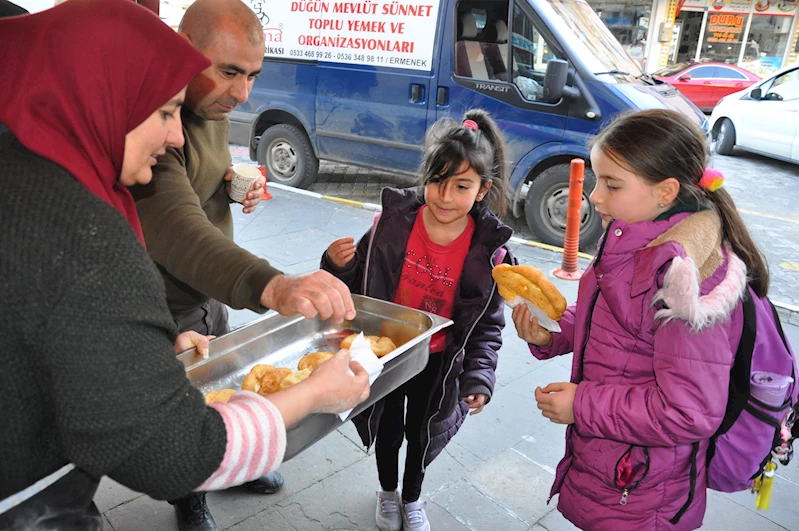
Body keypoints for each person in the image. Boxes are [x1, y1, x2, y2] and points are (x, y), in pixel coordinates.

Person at [0, 2, 370, 530]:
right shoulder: (88, 244)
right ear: (104, 94)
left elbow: (51, 339)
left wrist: (133, 349)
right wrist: (311, 392)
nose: (175, 135)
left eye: (253, 76)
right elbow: (174, 452)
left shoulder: (25, 173)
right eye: (163, 112)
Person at [130, 1, 358, 528]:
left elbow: (202, 176)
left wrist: (234, 184)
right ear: (182, 48)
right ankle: (191, 494)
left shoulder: (209, 110)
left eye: (253, 75)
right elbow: (174, 223)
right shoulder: (154, 119)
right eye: (228, 72)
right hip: (164, 304)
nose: (243, 94)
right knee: (186, 416)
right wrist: (275, 286)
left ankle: (235, 462)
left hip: (210, 296)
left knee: (222, 385)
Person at [511, 109, 767, 530]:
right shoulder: (637, 235)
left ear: (666, 191)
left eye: (612, 185)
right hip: (613, 466)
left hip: (643, 490)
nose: (595, 196)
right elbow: (618, 321)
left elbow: (691, 412)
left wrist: (582, 404)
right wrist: (554, 334)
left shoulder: (686, 283)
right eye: (597, 180)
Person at [322, 109, 514, 531]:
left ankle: (412, 497)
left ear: (482, 190)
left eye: (461, 186)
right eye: (437, 182)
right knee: (388, 429)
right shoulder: (391, 224)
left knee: (422, 432)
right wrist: (337, 266)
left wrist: (479, 377)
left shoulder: (491, 253)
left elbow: (487, 325)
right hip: (387, 352)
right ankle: (387, 492)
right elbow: (360, 282)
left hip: (440, 361)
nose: (445, 197)